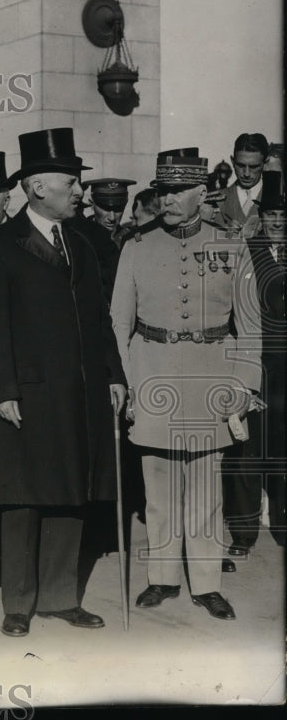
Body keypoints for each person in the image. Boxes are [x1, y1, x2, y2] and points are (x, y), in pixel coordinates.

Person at [0, 127, 126, 639]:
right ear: (39, 187)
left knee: (71, 489)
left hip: (78, 391)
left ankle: (60, 596)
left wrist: (113, 374)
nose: (81, 190)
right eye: (72, 181)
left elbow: (100, 320)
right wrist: (3, 389)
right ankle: (17, 603)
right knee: (23, 497)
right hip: (27, 391)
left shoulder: (80, 245)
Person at [111, 149, 262, 621]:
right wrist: (127, 384)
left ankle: (206, 583)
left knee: (204, 488)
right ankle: (162, 578)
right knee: (157, 486)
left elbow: (250, 327)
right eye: (164, 190)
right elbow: (118, 323)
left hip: (209, 377)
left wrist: (240, 387)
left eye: (179, 190)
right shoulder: (136, 245)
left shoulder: (232, 246)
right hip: (152, 371)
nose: (169, 199)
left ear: (203, 192)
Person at [246, 169, 286, 547]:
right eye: (272, 214)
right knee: (256, 440)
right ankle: (247, 518)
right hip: (260, 358)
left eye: (283, 215)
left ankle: (281, 518)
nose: (277, 221)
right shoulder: (248, 248)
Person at [207, 133, 268, 238]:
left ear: (265, 164)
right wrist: (224, 236)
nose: (247, 174)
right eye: (241, 165)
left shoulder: (278, 199)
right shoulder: (213, 201)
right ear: (232, 162)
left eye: (254, 167)